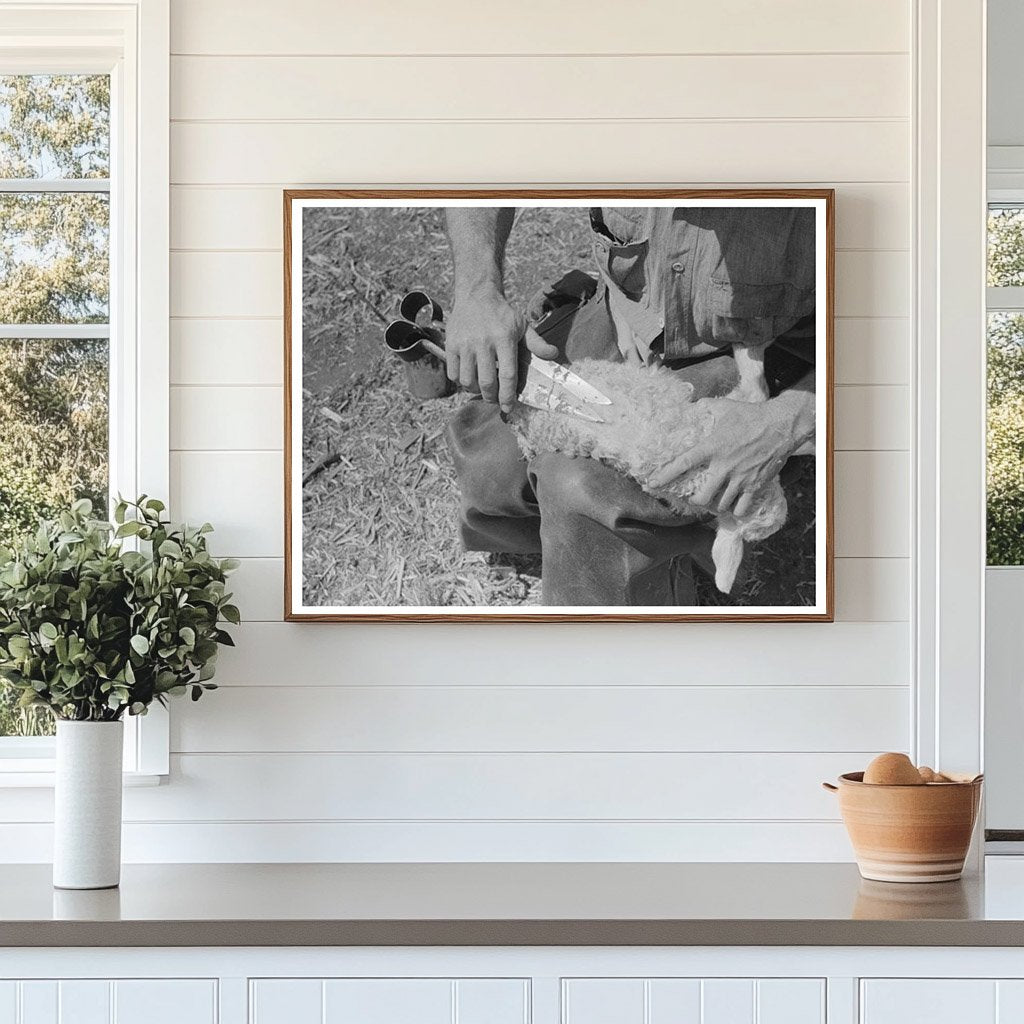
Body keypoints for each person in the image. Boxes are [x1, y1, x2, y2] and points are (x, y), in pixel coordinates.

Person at [444, 206, 817, 606]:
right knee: (490, 459)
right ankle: (652, 540)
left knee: (580, 489)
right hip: (634, 309)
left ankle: (635, 604)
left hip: (767, 344)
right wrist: (477, 290)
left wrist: (787, 420)